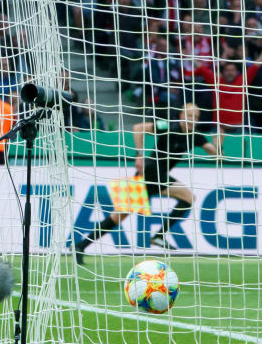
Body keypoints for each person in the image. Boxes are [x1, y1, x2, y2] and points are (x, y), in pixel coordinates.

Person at [74, 104, 221, 262]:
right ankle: (158, 235)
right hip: (150, 171)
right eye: (190, 115)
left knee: (117, 217)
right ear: (181, 115)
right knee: (188, 197)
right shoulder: (169, 126)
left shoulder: (196, 136)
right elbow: (138, 128)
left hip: (154, 176)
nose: (192, 120)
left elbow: (217, 156)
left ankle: (81, 246)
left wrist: (218, 143)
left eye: (196, 117)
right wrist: (139, 155)